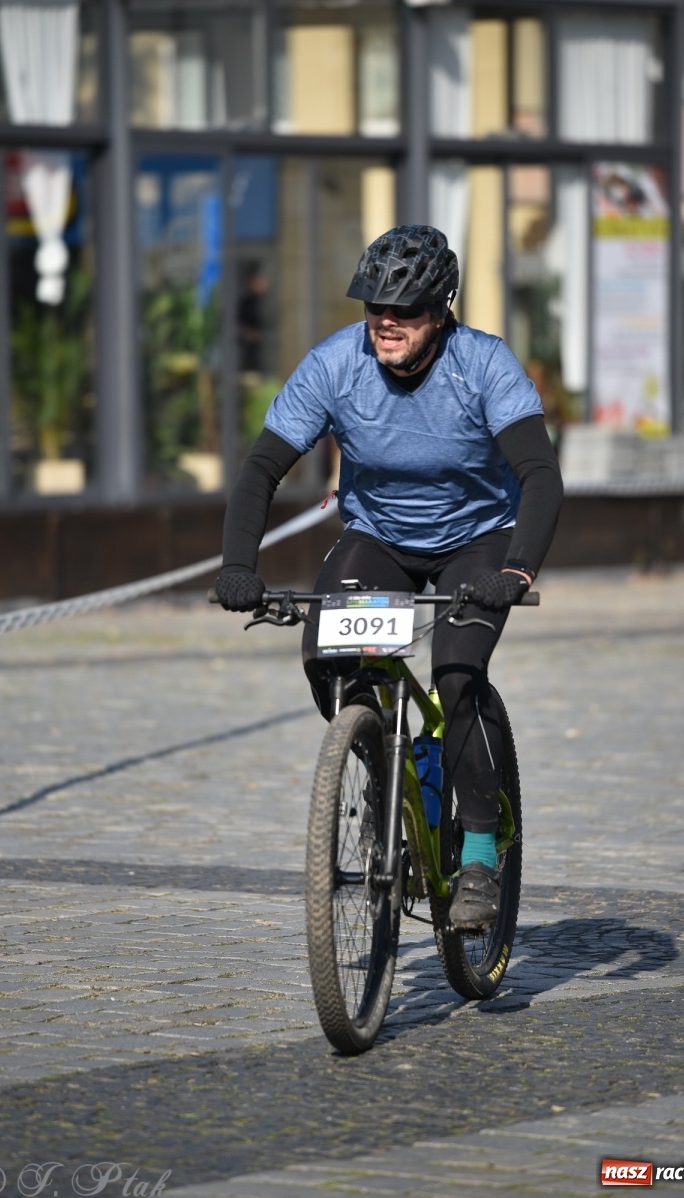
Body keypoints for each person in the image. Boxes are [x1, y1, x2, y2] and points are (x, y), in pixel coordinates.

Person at [215, 225, 563, 930]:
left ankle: (478, 852)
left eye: (403, 310)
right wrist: (238, 566)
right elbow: (260, 469)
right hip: (379, 537)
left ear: (439, 311)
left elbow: (539, 475)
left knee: (457, 673)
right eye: (374, 306)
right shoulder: (334, 364)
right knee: (329, 654)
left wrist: (516, 570)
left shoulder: (483, 364)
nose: (385, 321)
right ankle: (381, 760)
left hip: (479, 538)